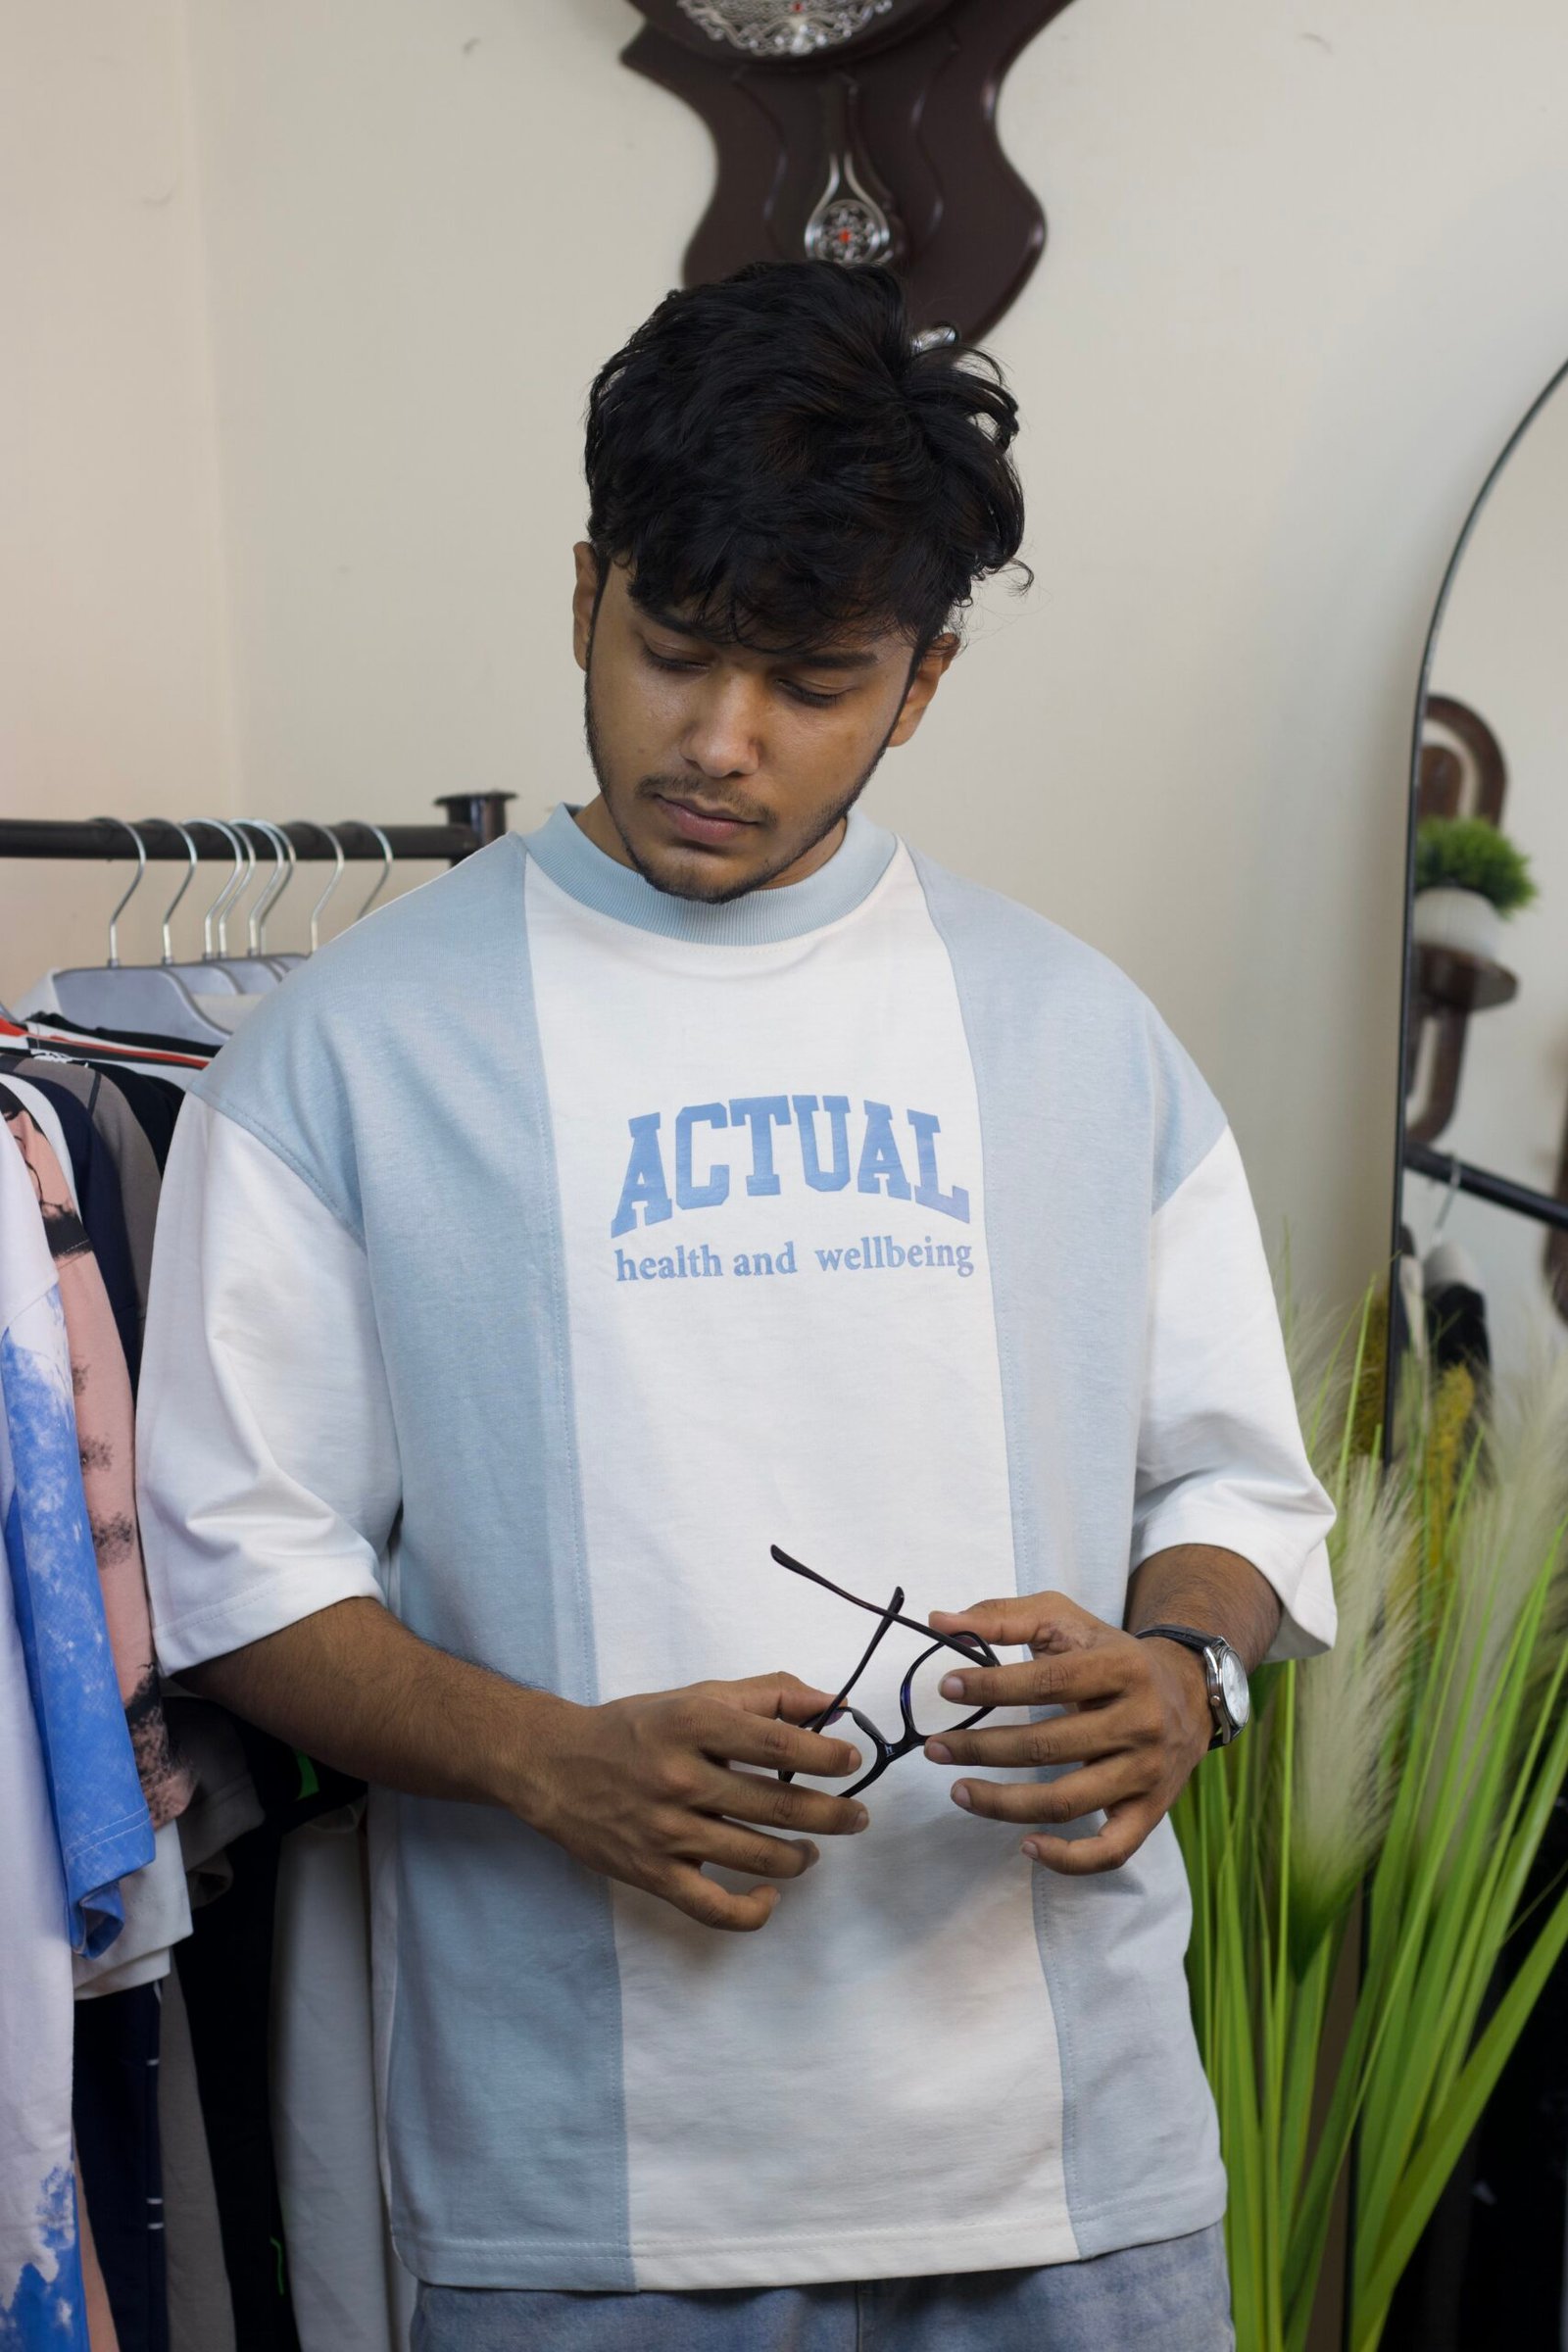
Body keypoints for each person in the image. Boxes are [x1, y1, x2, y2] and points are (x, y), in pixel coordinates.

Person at [137, 261, 1336, 2352]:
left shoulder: (1076, 1036)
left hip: (1075, 2164)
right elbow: (240, 1575)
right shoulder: (345, 1061)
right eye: (668, 650)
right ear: (582, 588)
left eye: (805, 680)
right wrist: (535, 1759)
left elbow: (1231, 1482)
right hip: (583, 2197)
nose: (716, 741)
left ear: (921, 683)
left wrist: (1183, 1678)